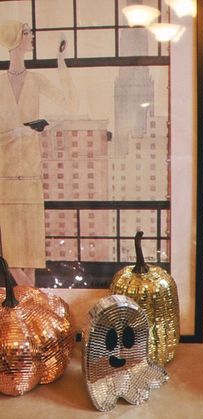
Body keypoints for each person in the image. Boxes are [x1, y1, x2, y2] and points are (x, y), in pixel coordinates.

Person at [0, 20, 78, 285]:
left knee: (32, 256)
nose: (31, 37)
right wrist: (19, 132)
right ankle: (29, 309)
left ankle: (31, 313)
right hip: (5, 179)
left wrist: (60, 62)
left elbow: (70, 103)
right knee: (12, 256)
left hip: (32, 178)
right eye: (26, 33)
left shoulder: (36, 80)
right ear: (13, 39)